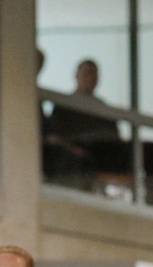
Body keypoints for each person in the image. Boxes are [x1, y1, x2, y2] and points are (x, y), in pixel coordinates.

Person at [42, 58, 127, 187]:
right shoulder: (64, 106)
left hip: (102, 156)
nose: (90, 78)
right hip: (74, 159)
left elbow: (115, 138)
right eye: (87, 73)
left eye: (94, 75)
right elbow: (55, 136)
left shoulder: (103, 109)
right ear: (76, 76)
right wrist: (74, 150)